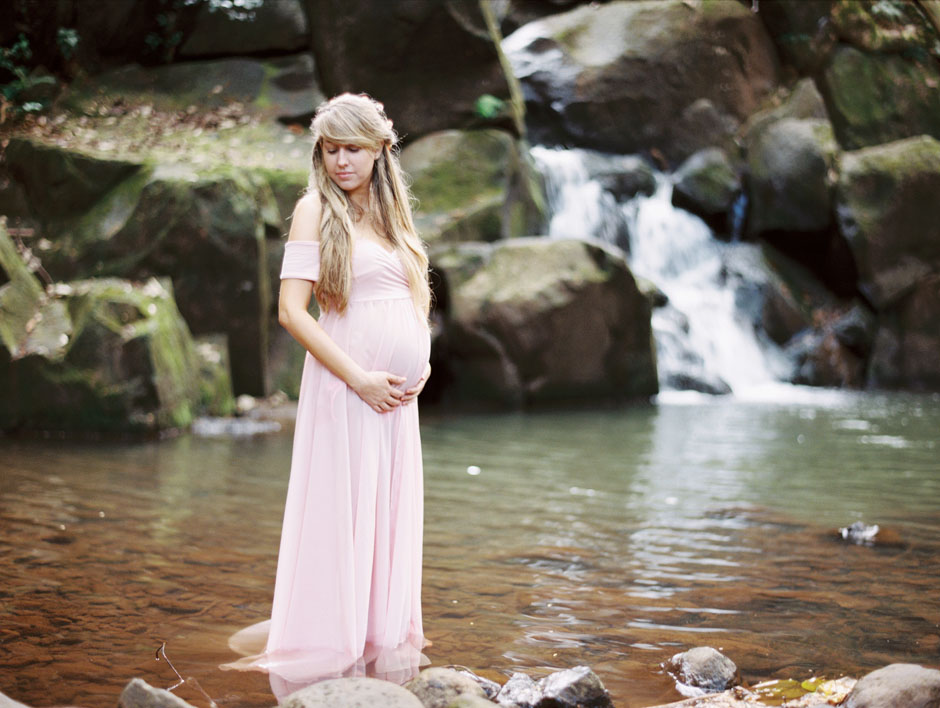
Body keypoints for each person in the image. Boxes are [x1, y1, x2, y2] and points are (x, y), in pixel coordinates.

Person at [222, 93, 432, 695]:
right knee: (345, 507)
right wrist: (360, 378)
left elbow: (410, 296)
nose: (342, 161)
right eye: (331, 149)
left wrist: (421, 358)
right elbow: (291, 311)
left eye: (354, 150)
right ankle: (328, 647)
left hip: (395, 399)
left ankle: (378, 637)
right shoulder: (315, 209)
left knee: (384, 510)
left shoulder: (394, 216)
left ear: (379, 150)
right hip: (348, 387)